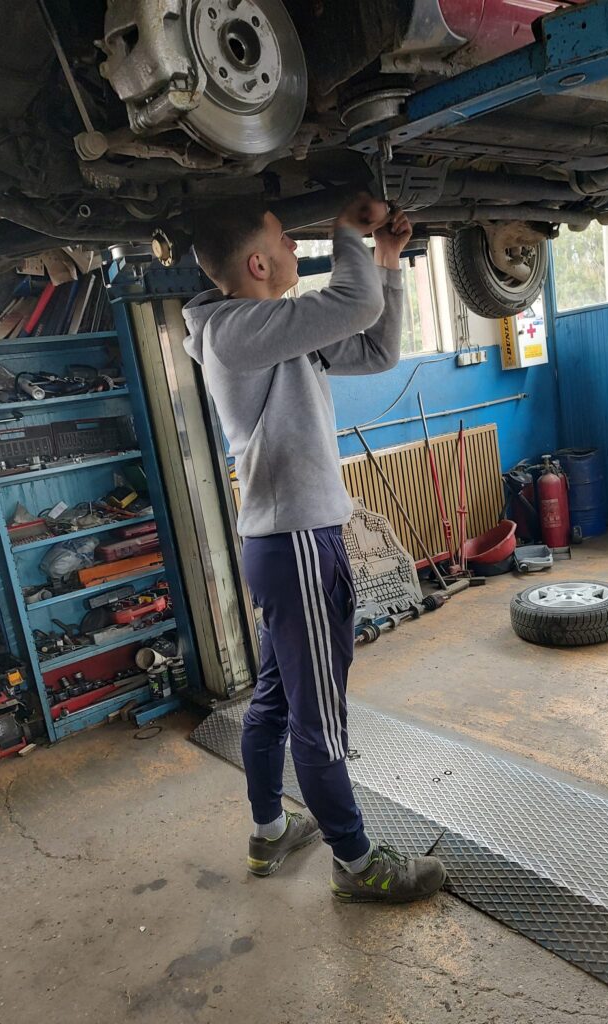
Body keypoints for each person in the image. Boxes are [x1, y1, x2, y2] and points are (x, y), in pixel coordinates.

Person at [184, 194, 446, 903]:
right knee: (318, 718)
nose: (297, 250)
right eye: (285, 240)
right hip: (297, 543)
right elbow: (353, 304)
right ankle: (357, 864)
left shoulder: (271, 330)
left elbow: (376, 348)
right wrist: (345, 228)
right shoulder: (238, 329)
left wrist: (384, 259)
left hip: (284, 542)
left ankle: (270, 831)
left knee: (274, 700)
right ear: (258, 263)